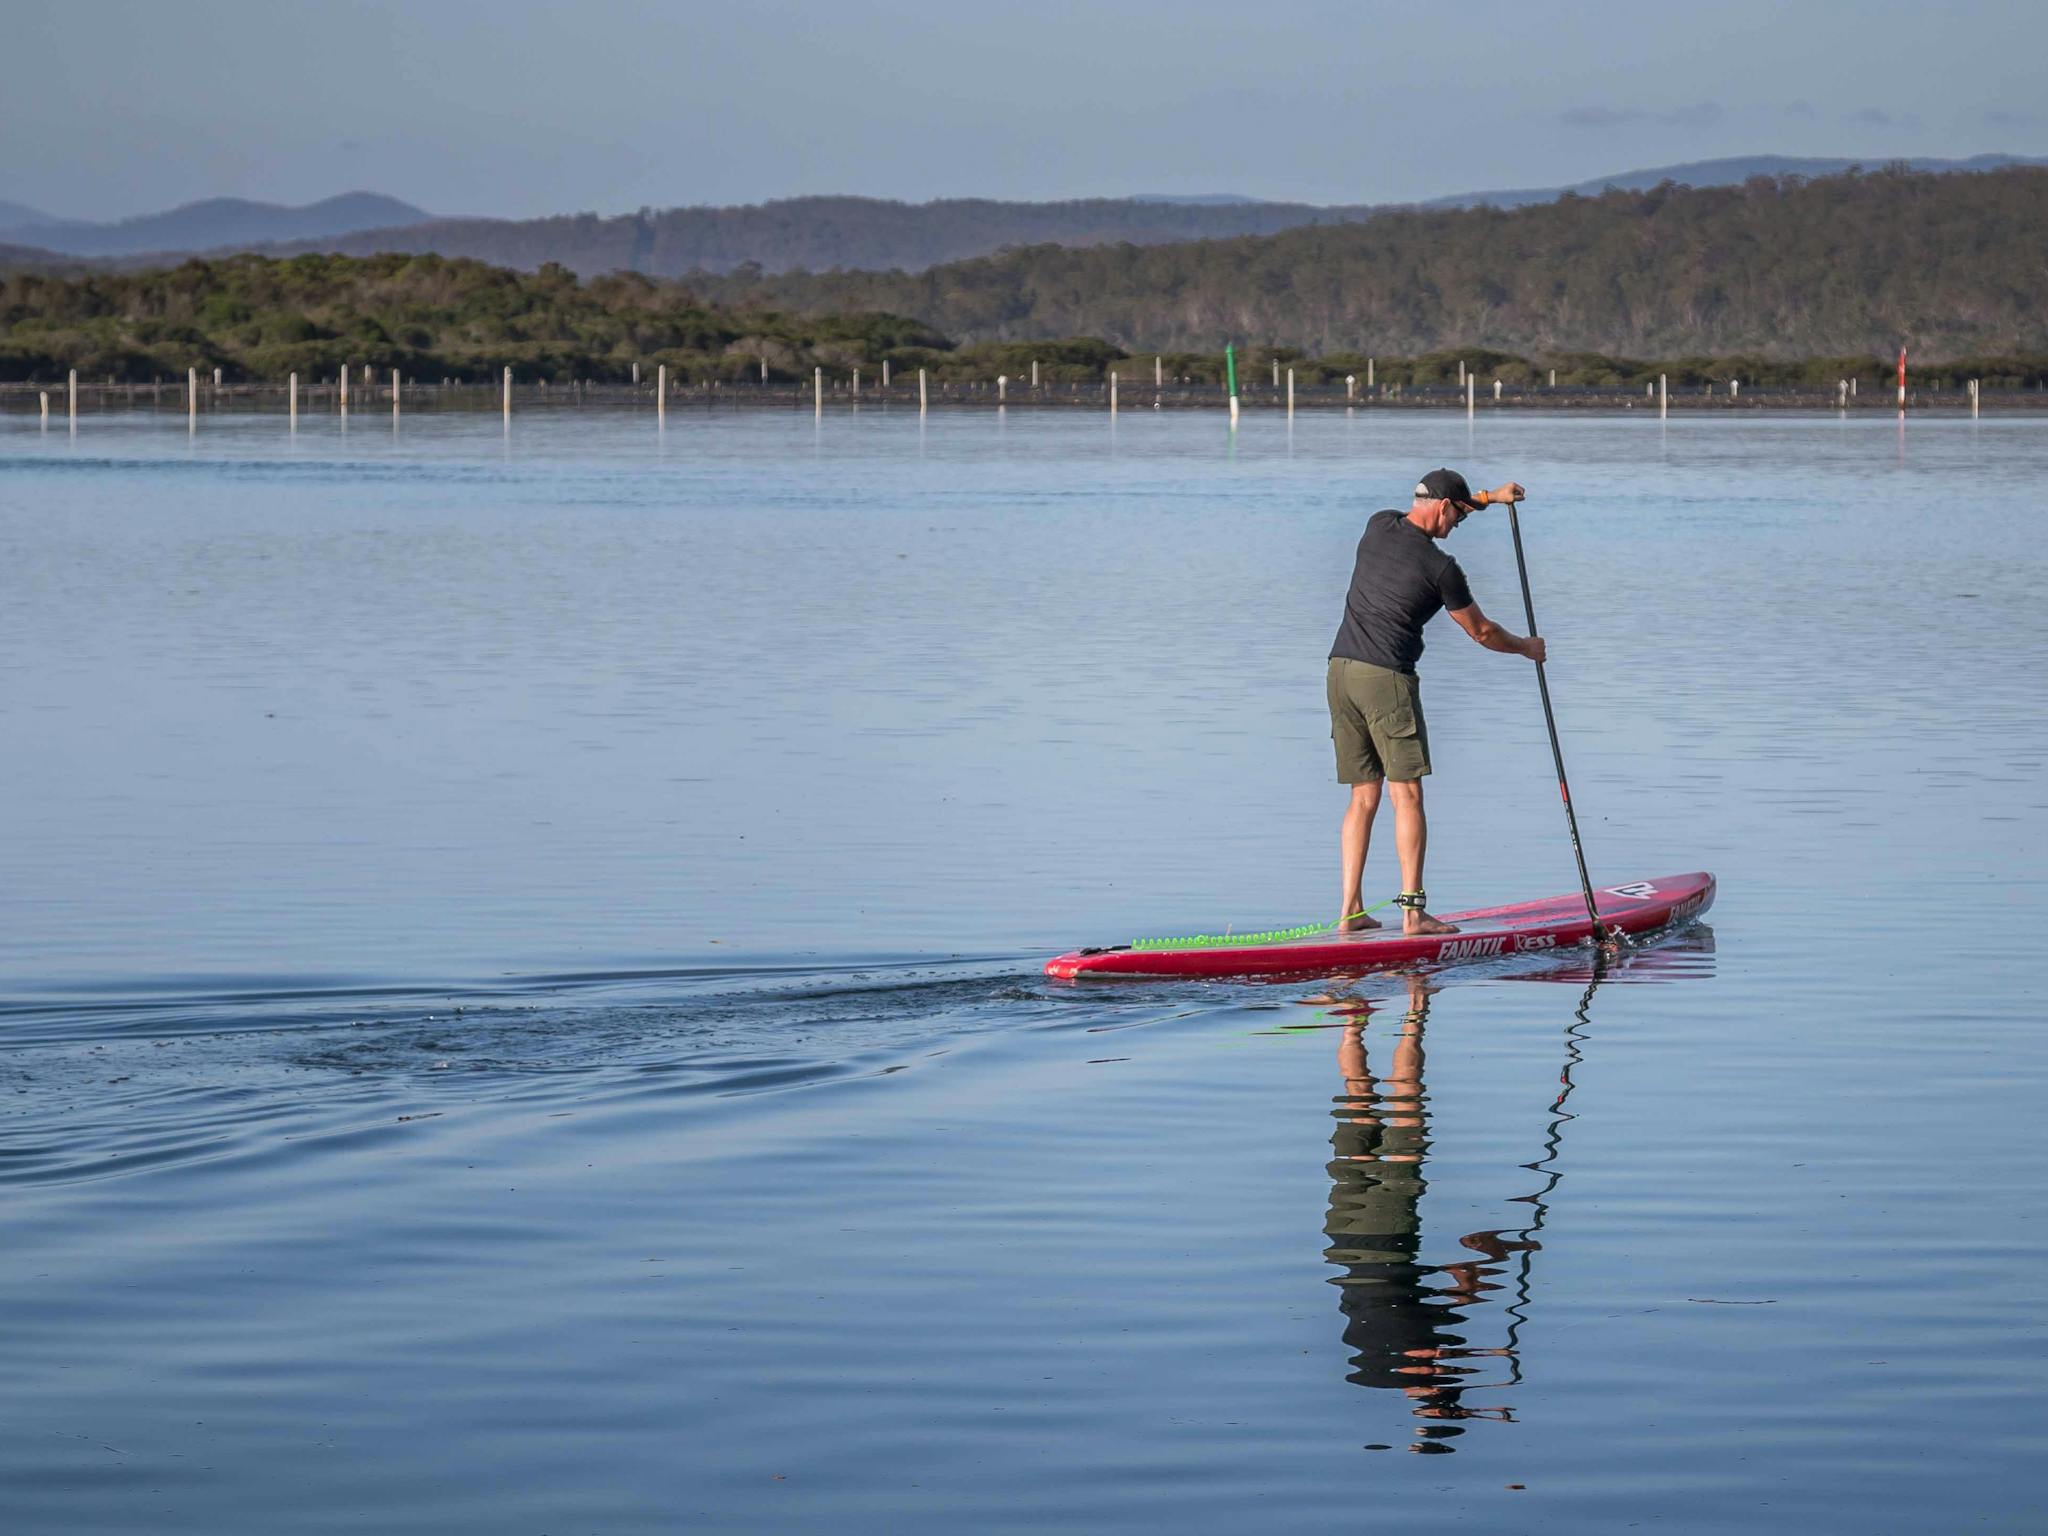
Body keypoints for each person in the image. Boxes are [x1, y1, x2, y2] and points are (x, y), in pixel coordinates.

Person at [1326, 469, 1544, 936]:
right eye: (1457, 517)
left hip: (1340, 672)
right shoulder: (1442, 569)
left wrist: (1491, 498)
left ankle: (1350, 910)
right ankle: (1413, 913)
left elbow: (1445, 503)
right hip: (1386, 678)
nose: (1458, 526)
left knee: (1363, 796)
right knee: (1406, 795)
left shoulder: (1378, 524)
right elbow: (1482, 632)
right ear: (1444, 507)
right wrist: (1526, 648)